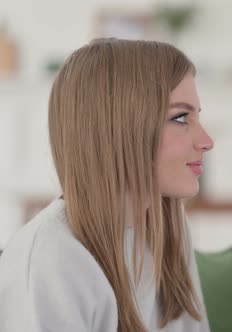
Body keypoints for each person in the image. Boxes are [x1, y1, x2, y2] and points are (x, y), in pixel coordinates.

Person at [0, 38, 214, 332]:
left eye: (196, 116)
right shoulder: (49, 259)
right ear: (120, 128)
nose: (206, 141)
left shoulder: (171, 230)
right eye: (180, 117)